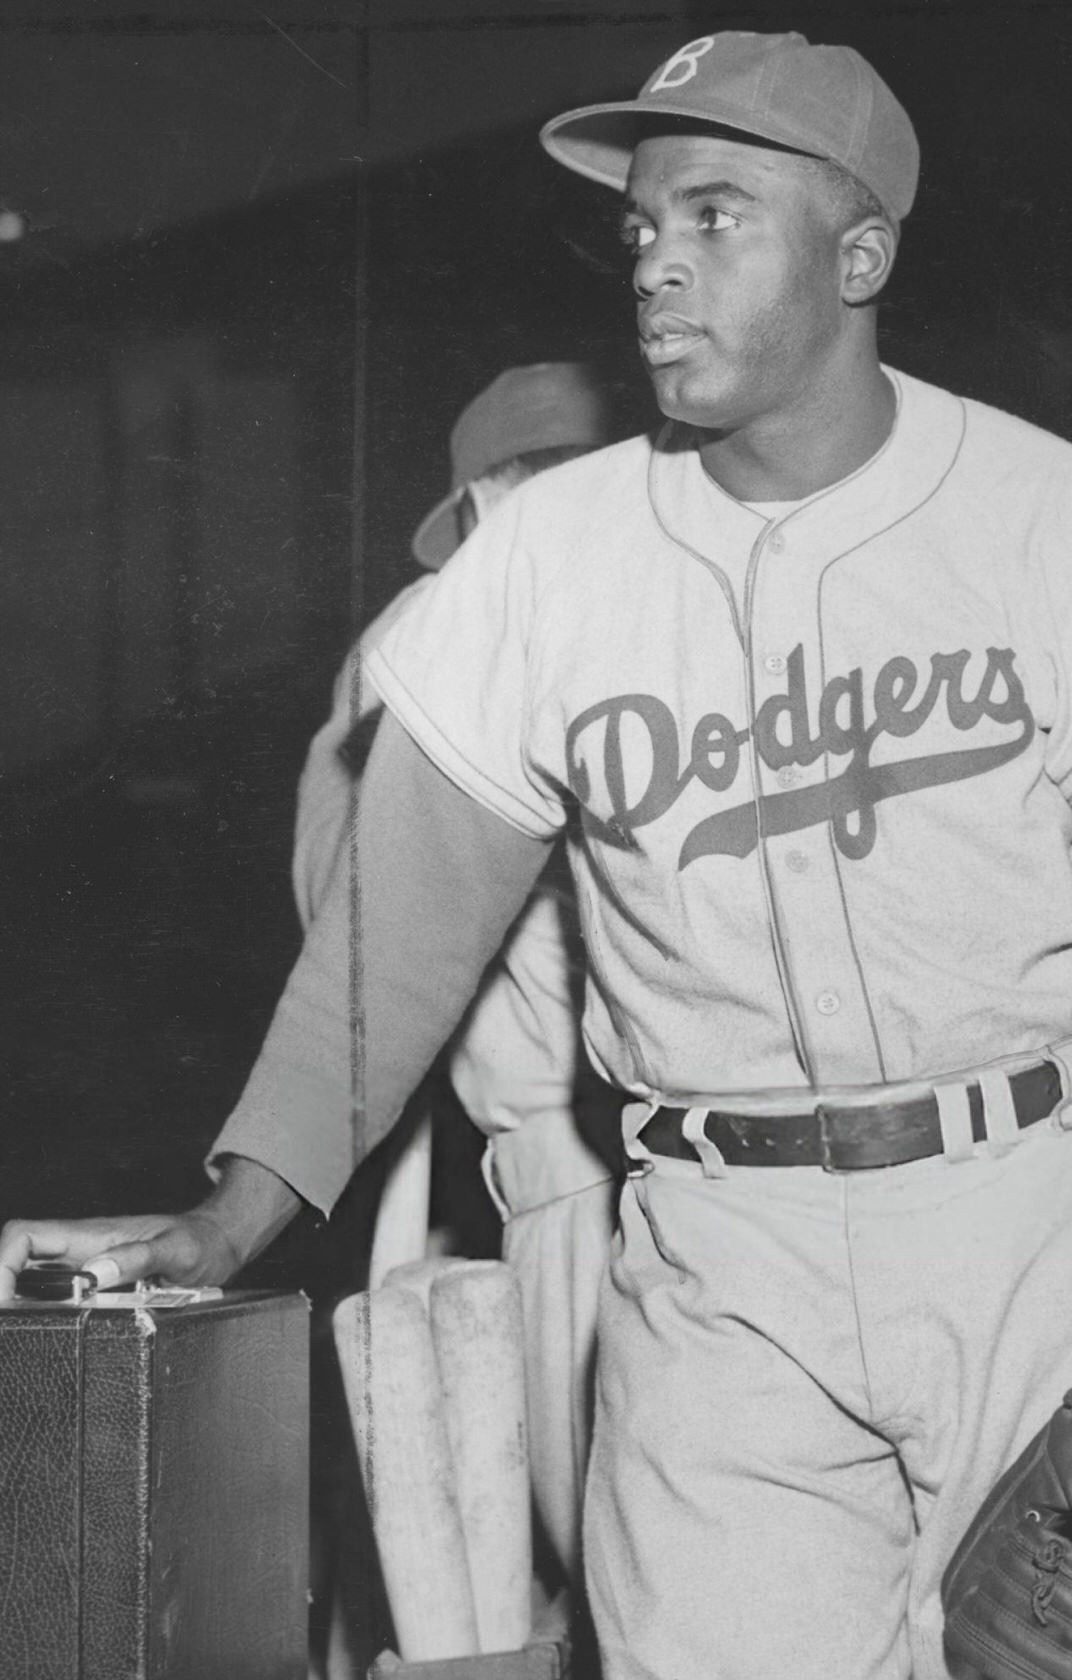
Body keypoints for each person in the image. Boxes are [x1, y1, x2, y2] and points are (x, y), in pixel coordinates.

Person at [0, 32, 1072, 1680]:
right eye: (644, 229)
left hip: (1037, 1214)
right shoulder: (549, 561)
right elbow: (390, 947)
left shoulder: (1057, 521)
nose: (659, 262)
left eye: (718, 215)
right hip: (717, 1255)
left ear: (860, 250)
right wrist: (237, 1215)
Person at [299, 360, 624, 1597]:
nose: (562, 507)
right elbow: (341, 917)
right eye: (534, 483)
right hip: (569, 1172)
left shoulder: (665, 614)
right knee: (612, 1579)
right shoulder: (419, 644)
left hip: (714, 1174)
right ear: (483, 503)